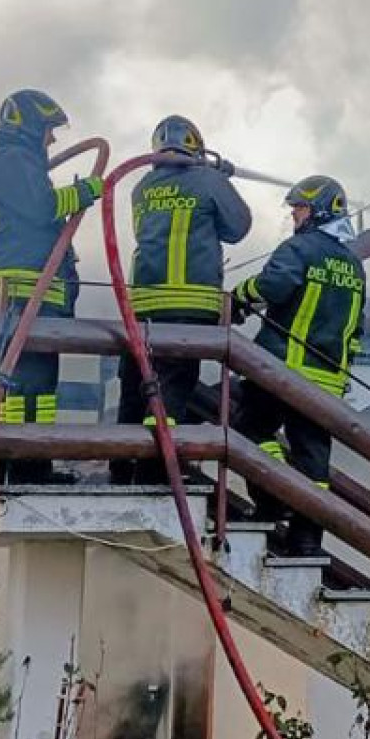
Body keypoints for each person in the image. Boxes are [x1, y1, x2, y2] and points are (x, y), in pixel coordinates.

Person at [0, 88, 103, 484]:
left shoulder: (11, 164)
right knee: (25, 383)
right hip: (28, 289)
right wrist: (85, 192)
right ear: (28, 128)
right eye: (48, 130)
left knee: (39, 388)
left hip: (36, 291)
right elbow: (42, 208)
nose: (53, 140)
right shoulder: (12, 162)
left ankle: (33, 464)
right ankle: (21, 467)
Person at [229, 175, 367, 556]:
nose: (294, 215)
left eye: (299, 208)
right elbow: (355, 330)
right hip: (327, 382)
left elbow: (273, 287)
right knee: (314, 460)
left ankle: (273, 499)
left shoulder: (299, 248)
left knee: (248, 430)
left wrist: (239, 295)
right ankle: (306, 541)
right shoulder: (354, 266)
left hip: (283, 372)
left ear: (317, 211)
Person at [111, 115, 252, 485]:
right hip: (190, 305)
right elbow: (237, 227)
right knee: (172, 391)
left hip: (142, 306)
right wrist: (220, 177)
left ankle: (121, 468)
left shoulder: (141, 186)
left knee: (135, 385)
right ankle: (154, 475)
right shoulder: (207, 180)